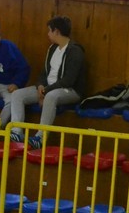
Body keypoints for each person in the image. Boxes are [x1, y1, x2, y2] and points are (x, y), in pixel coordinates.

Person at [7, 16, 87, 150]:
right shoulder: (52, 49)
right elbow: (44, 73)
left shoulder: (75, 51)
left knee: (51, 96)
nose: (48, 34)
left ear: (57, 31)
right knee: (17, 95)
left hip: (70, 90)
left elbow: (68, 80)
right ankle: (16, 131)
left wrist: (45, 91)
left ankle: (40, 137)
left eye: (50, 31)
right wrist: (40, 86)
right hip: (47, 88)